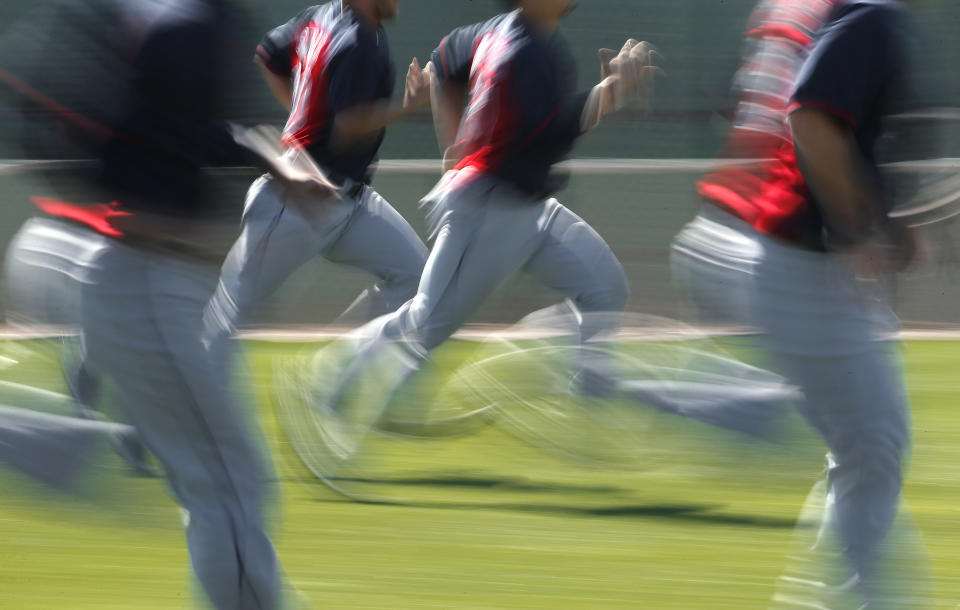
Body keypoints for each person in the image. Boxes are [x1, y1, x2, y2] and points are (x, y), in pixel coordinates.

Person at [5, 0, 337, 607]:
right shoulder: (187, 24)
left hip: (151, 283)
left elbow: (187, 127)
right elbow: (95, 127)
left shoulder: (188, 19)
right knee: (227, 484)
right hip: (147, 278)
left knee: (202, 475)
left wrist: (271, 157)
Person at [307, 0, 655, 460]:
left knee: (604, 288)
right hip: (489, 206)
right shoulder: (525, 51)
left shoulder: (505, 32)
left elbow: (445, 59)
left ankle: (592, 415)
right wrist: (611, 90)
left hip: (524, 204)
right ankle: (328, 379)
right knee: (425, 322)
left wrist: (453, 144)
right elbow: (543, 137)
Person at [674, 1, 928, 606]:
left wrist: (884, 222)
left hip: (796, 261)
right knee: (871, 446)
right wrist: (858, 226)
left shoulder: (858, 16)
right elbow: (812, 119)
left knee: (863, 449)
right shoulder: (873, 20)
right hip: (804, 265)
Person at [203, 0, 431, 362]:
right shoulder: (358, 39)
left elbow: (267, 56)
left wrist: (306, 108)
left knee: (416, 278)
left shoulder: (320, 16)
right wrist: (408, 104)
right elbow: (346, 128)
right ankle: (179, 405)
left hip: (348, 199)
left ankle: (330, 368)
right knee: (228, 314)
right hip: (296, 199)